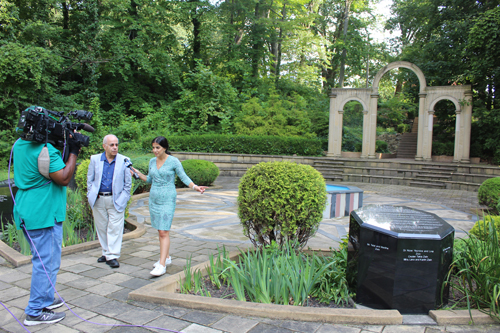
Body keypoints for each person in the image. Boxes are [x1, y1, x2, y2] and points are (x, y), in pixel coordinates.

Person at [13, 135, 82, 326]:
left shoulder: (19, 144)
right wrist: (74, 151)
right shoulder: (46, 150)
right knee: (46, 264)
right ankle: (34, 312)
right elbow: (63, 178)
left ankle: (46, 299)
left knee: (44, 260)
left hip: (26, 209)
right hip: (43, 213)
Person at [131, 136, 206, 276]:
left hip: (168, 199)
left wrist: (195, 187)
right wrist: (137, 174)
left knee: (163, 231)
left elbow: (183, 177)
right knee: (160, 229)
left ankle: (162, 265)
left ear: (164, 148)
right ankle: (167, 257)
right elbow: (149, 179)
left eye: (157, 147)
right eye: (153, 147)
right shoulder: (152, 161)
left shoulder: (173, 161)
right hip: (154, 199)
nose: (154, 150)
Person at [87, 134, 132, 268]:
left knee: (115, 228)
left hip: (116, 199)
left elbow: (127, 184)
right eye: (112, 145)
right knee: (101, 227)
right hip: (99, 199)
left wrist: (123, 198)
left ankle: (112, 255)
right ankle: (106, 252)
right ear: (104, 146)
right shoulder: (95, 159)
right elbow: (90, 179)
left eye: (116, 145)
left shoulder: (124, 160)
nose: (115, 147)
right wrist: (91, 194)